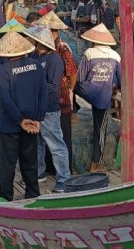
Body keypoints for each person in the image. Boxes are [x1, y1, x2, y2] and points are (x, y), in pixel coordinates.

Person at [0, 31, 48, 201]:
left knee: (8, 163)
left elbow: (6, 100)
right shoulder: (36, 66)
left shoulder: (2, 70)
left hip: (11, 123)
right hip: (32, 122)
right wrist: (38, 118)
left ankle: (6, 198)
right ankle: (33, 195)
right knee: (30, 162)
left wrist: (19, 120)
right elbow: (43, 94)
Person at [24, 25, 71, 192]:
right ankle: (39, 172)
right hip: (35, 107)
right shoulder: (34, 57)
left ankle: (64, 178)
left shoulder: (54, 60)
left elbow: (53, 87)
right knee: (38, 143)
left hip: (49, 108)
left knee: (55, 143)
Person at [75, 24, 121, 173]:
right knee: (100, 129)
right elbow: (121, 80)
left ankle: (73, 111)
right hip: (103, 95)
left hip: (86, 91)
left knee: (73, 86)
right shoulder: (116, 56)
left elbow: (80, 77)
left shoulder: (89, 52)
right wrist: (113, 89)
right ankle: (96, 162)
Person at [36, 11, 78, 173]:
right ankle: (49, 169)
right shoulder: (41, 47)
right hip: (47, 98)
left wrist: (69, 90)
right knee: (47, 137)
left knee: (61, 136)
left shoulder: (62, 47)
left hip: (61, 96)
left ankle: (64, 171)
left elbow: (72, 73)